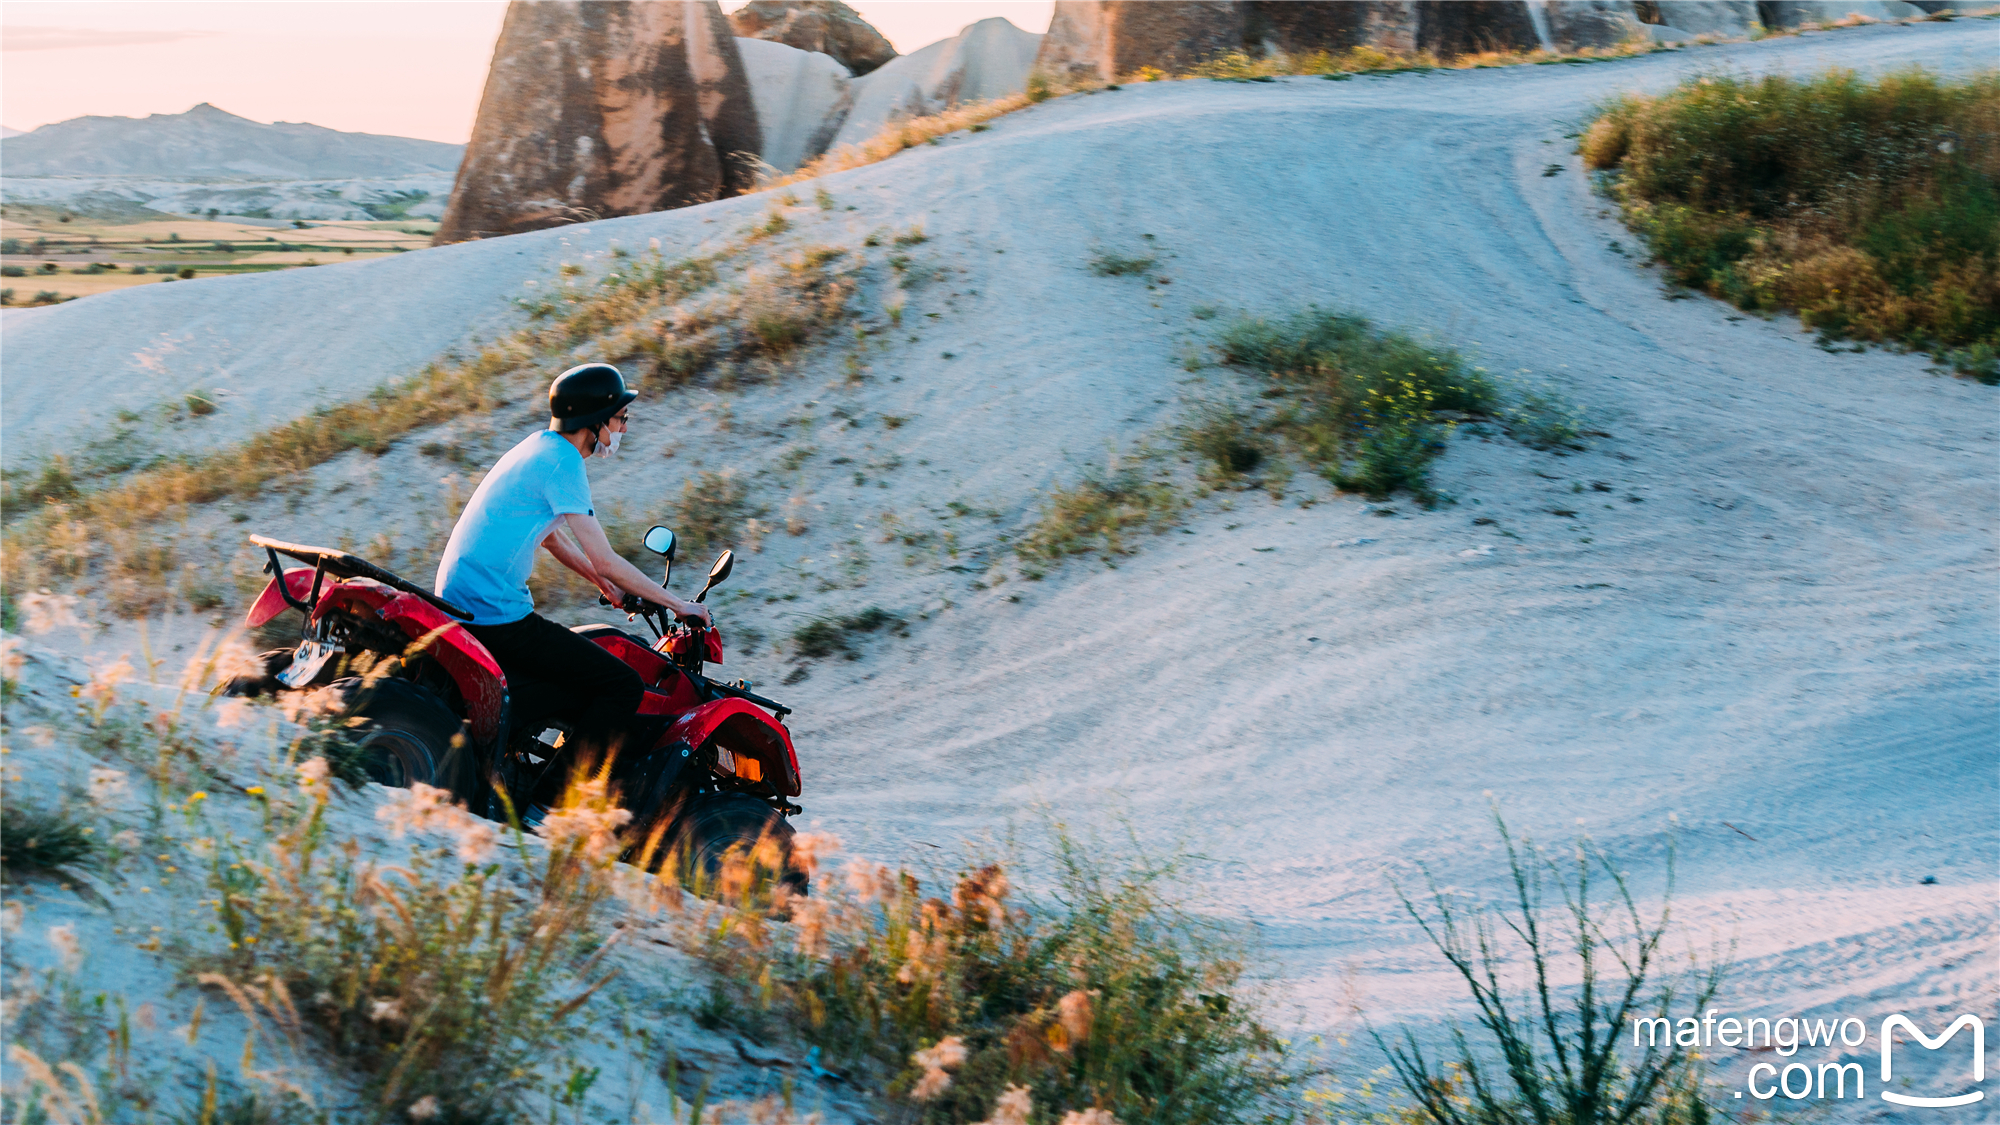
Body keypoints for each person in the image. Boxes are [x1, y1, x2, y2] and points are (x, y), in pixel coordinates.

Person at [435, 362, 709, 765]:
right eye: (620, 419)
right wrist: (678, 604)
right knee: (622, 684)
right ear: (595, 421)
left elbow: (549, 537)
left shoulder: (538, 446)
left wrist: (601, 582)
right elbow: (607, 558)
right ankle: (565, 796)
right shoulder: (564, 462)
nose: (623, 430)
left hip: (465, 599)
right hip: (495, 613)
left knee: (582, 669)